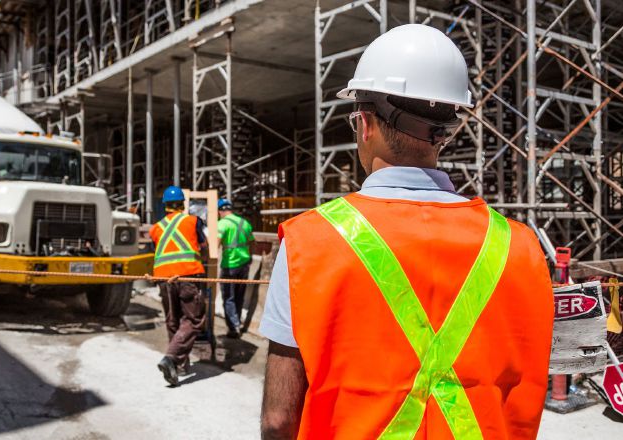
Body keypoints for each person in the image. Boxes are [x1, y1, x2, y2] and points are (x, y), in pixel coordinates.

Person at [259, 24, 554, 439]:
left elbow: (278, 419)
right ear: (446, 131)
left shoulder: (309, 243)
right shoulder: (520, 245)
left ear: (364, 124)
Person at [149, 185, 208, 387]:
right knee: (194, 319)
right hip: (187, 275)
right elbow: (203, 245)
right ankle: (171, 358)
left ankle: (179, 366)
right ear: (183, 204)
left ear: (165, 205)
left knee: (173, 320)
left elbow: (158, 251)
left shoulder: (155, 228)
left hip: (164, 279)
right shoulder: (192, 221)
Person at [217, 198, 255, 338]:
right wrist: (249, 257)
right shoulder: (245, 223)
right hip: (244, 265)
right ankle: (237, 321)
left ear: (220, 211)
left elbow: (215, 245)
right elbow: (252, 242)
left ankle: (234, 328)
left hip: (229, 266)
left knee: (228, 297)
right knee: (239, 296)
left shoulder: (222, 224)